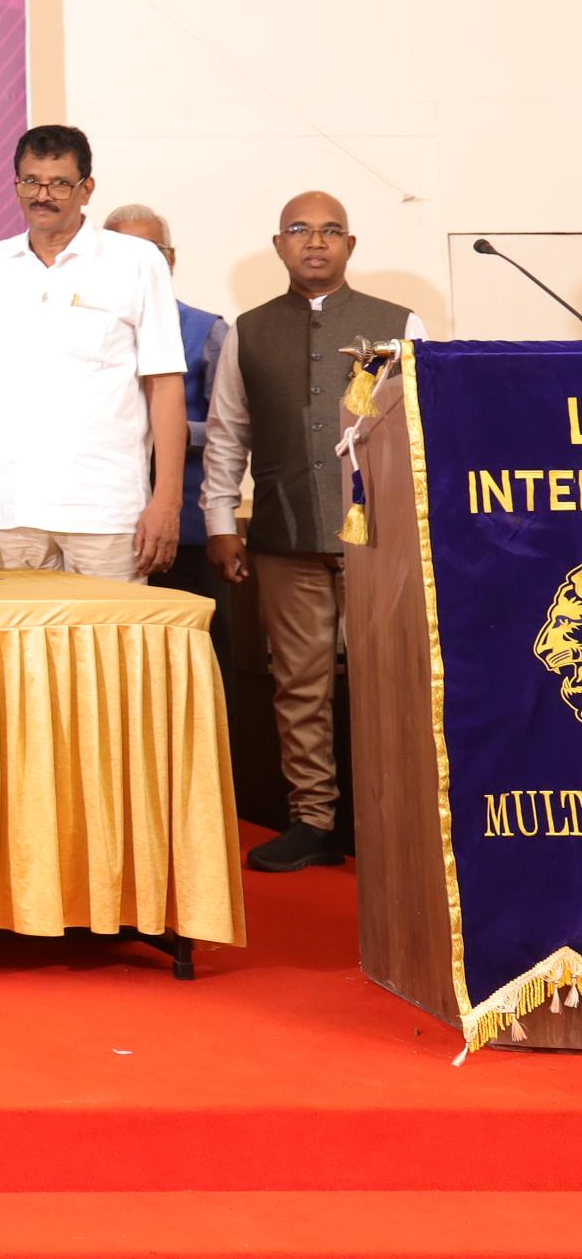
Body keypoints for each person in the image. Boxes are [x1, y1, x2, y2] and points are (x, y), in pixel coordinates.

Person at [202, 190, 424, 873]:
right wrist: (220, 522)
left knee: (389, 682)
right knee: (299, 685)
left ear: (350, 245)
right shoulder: (249, 329)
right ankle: (313, 820)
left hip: (379, 538)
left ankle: (393, 820)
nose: (315, 242)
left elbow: (428, 429)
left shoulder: (400, 323)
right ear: (280, 246)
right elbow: (227, 434)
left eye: (331, 231)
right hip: (284, 532)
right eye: (299, 230)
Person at [0, 125, 186, 580]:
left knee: (113, 630)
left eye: (60, 183)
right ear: (16, 185)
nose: (43, 196)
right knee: (17, 631)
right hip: (9, 510)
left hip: (109, 512)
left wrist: (167, 501)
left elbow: (164, 385)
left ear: (87, 189)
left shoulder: (137, 262)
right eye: (31, 181)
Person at [103, 202, 226, 562]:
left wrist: (177, 431)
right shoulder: (80, 329)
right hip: (102, 522)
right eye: (121, 252)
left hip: (186, 524)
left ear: (170, 259)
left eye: (150, 252)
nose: (138, 263)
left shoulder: (209, 331)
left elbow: (232, 429)